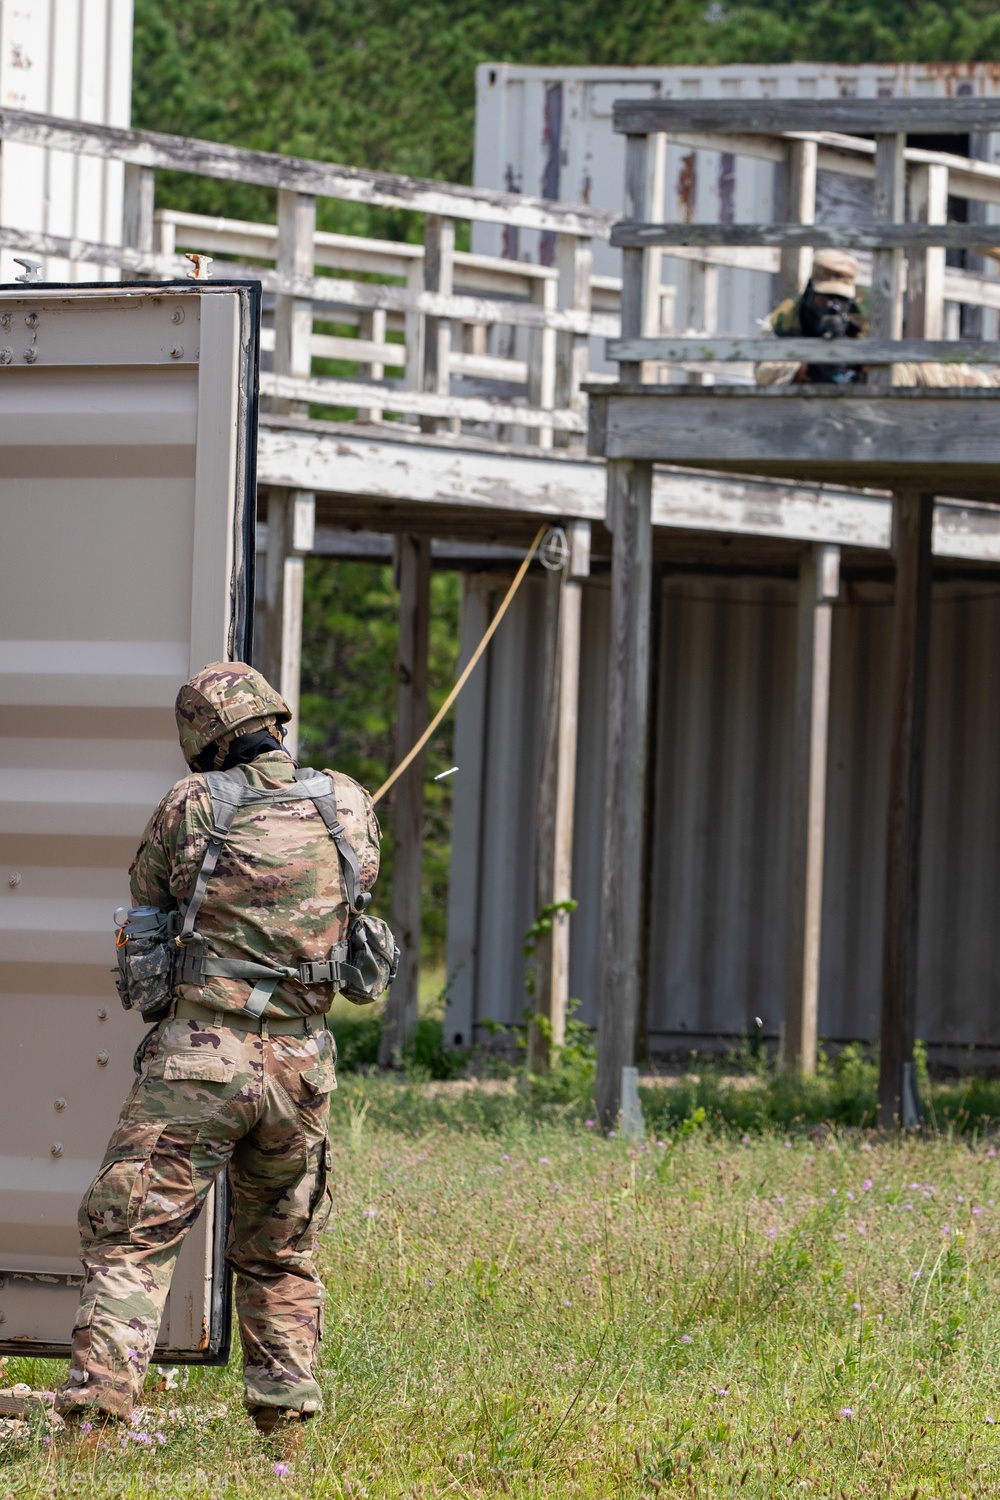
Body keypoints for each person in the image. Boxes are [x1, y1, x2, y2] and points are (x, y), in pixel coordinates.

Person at [55, 663, 383, 1454]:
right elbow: (358, 893)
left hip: (199, 1062)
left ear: (203, 736)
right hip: (303, 1070)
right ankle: (284, 1439)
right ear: (275, 718)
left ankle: (96, 1426)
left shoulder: (189, 804)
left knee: (132, 1231)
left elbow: (148, 900)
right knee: (279, 1249)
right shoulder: (347, 800)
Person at [757, 246, 1000, 389]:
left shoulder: (865, 311)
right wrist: (801, 368)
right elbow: (762, 369)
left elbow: (899, 361)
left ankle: (990, 383)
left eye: (839, 300)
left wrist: (865, 362)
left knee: (930, 371)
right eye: (823, 299)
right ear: (811, 292)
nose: (831, 308)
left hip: (867, 386)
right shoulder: (789, 315)